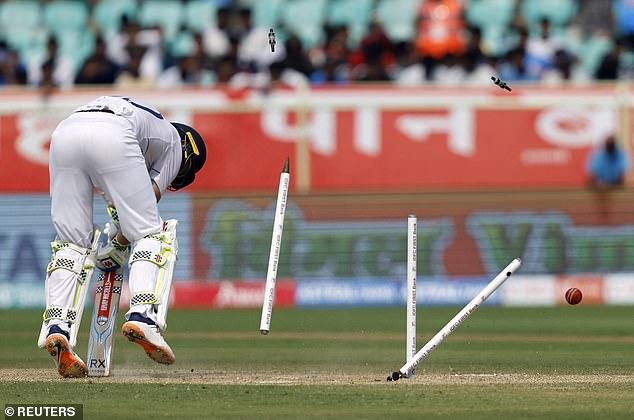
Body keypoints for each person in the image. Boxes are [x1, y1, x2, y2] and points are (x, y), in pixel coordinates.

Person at [40, 96, 206, 377]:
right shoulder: (177, 144)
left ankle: (57, 329)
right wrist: (119, 244)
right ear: (189, 156)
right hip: (112, 133)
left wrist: (116, 245)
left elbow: (118, 206)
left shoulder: (145, 133)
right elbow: (143, 208)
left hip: (65, 131)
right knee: (153, 234)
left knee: (71, 243)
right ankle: (144, 316)